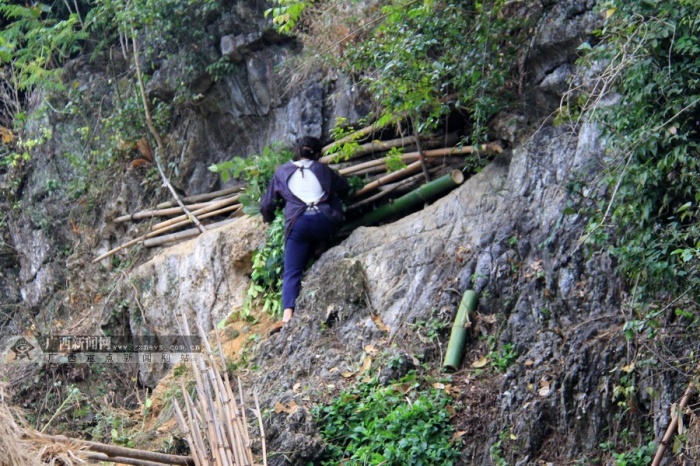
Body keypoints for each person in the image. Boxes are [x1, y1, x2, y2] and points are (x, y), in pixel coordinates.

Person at [259, 136, 350, 331]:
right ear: (318, 154)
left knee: (292, 270)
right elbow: (345, 188)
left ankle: (287, 316)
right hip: (326, 222)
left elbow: (267, 205)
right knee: (329, 203)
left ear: (297, 151)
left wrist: (269, 219)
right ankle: (321, 246)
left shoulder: (282, 172)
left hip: (298, 225)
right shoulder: (323, 170)